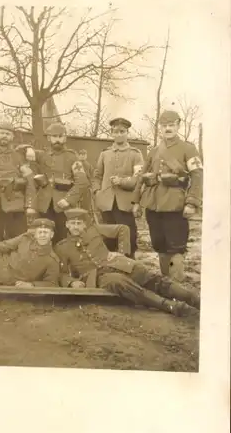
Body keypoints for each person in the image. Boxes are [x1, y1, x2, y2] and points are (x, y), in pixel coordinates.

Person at [55, 209, 200, 317]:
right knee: (121, 283)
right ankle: (171, 306)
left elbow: (123, 229)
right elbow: (61, 273)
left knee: (148, 275)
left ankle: (194, 299)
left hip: (117, 264)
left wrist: (122, 253)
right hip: (96, 276)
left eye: (79, 223)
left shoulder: (95, 230)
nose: (75, 227)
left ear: (85, 224)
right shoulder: (62, 247)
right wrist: (71, 282)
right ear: (67, 225)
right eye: (72, 223)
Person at [132, 110, 203, 281]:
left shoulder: (188, 148)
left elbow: (198, 175)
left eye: (171, 125)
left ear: (178, 125)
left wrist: (192, 202)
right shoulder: (154, 151)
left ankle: (177, 286)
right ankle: (166, 283)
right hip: (153, 204)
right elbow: (142, 176)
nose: (168, 128)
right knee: (159, 245)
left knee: (176, 247)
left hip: (175, 204)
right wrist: (136, 201)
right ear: (160, 128)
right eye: (164, 126)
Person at [93, 117, 144, 259]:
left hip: (126, 203)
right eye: (116, 132)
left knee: (129, 235)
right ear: (112, 133)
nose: (119, 134)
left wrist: (121, 181)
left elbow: (138, 178)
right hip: (106, 204)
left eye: (122, 131)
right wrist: (97, 192)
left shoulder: (135, 153)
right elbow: (97, 175)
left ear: (127, 133)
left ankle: (128, 264)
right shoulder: (105, 153)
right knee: (107, 237)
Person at [34, 122, 89, 244]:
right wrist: (26, 149)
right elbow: (20, 151)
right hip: (44, 204)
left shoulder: (72, 157)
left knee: (63, 239)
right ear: (49, 138)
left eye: (60, 136)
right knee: (44, 237)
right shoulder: (43, 155)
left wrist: (68, 200)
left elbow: (82, 182)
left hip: (63, 205)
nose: (57, 140)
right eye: (54, 137)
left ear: (65, 138)